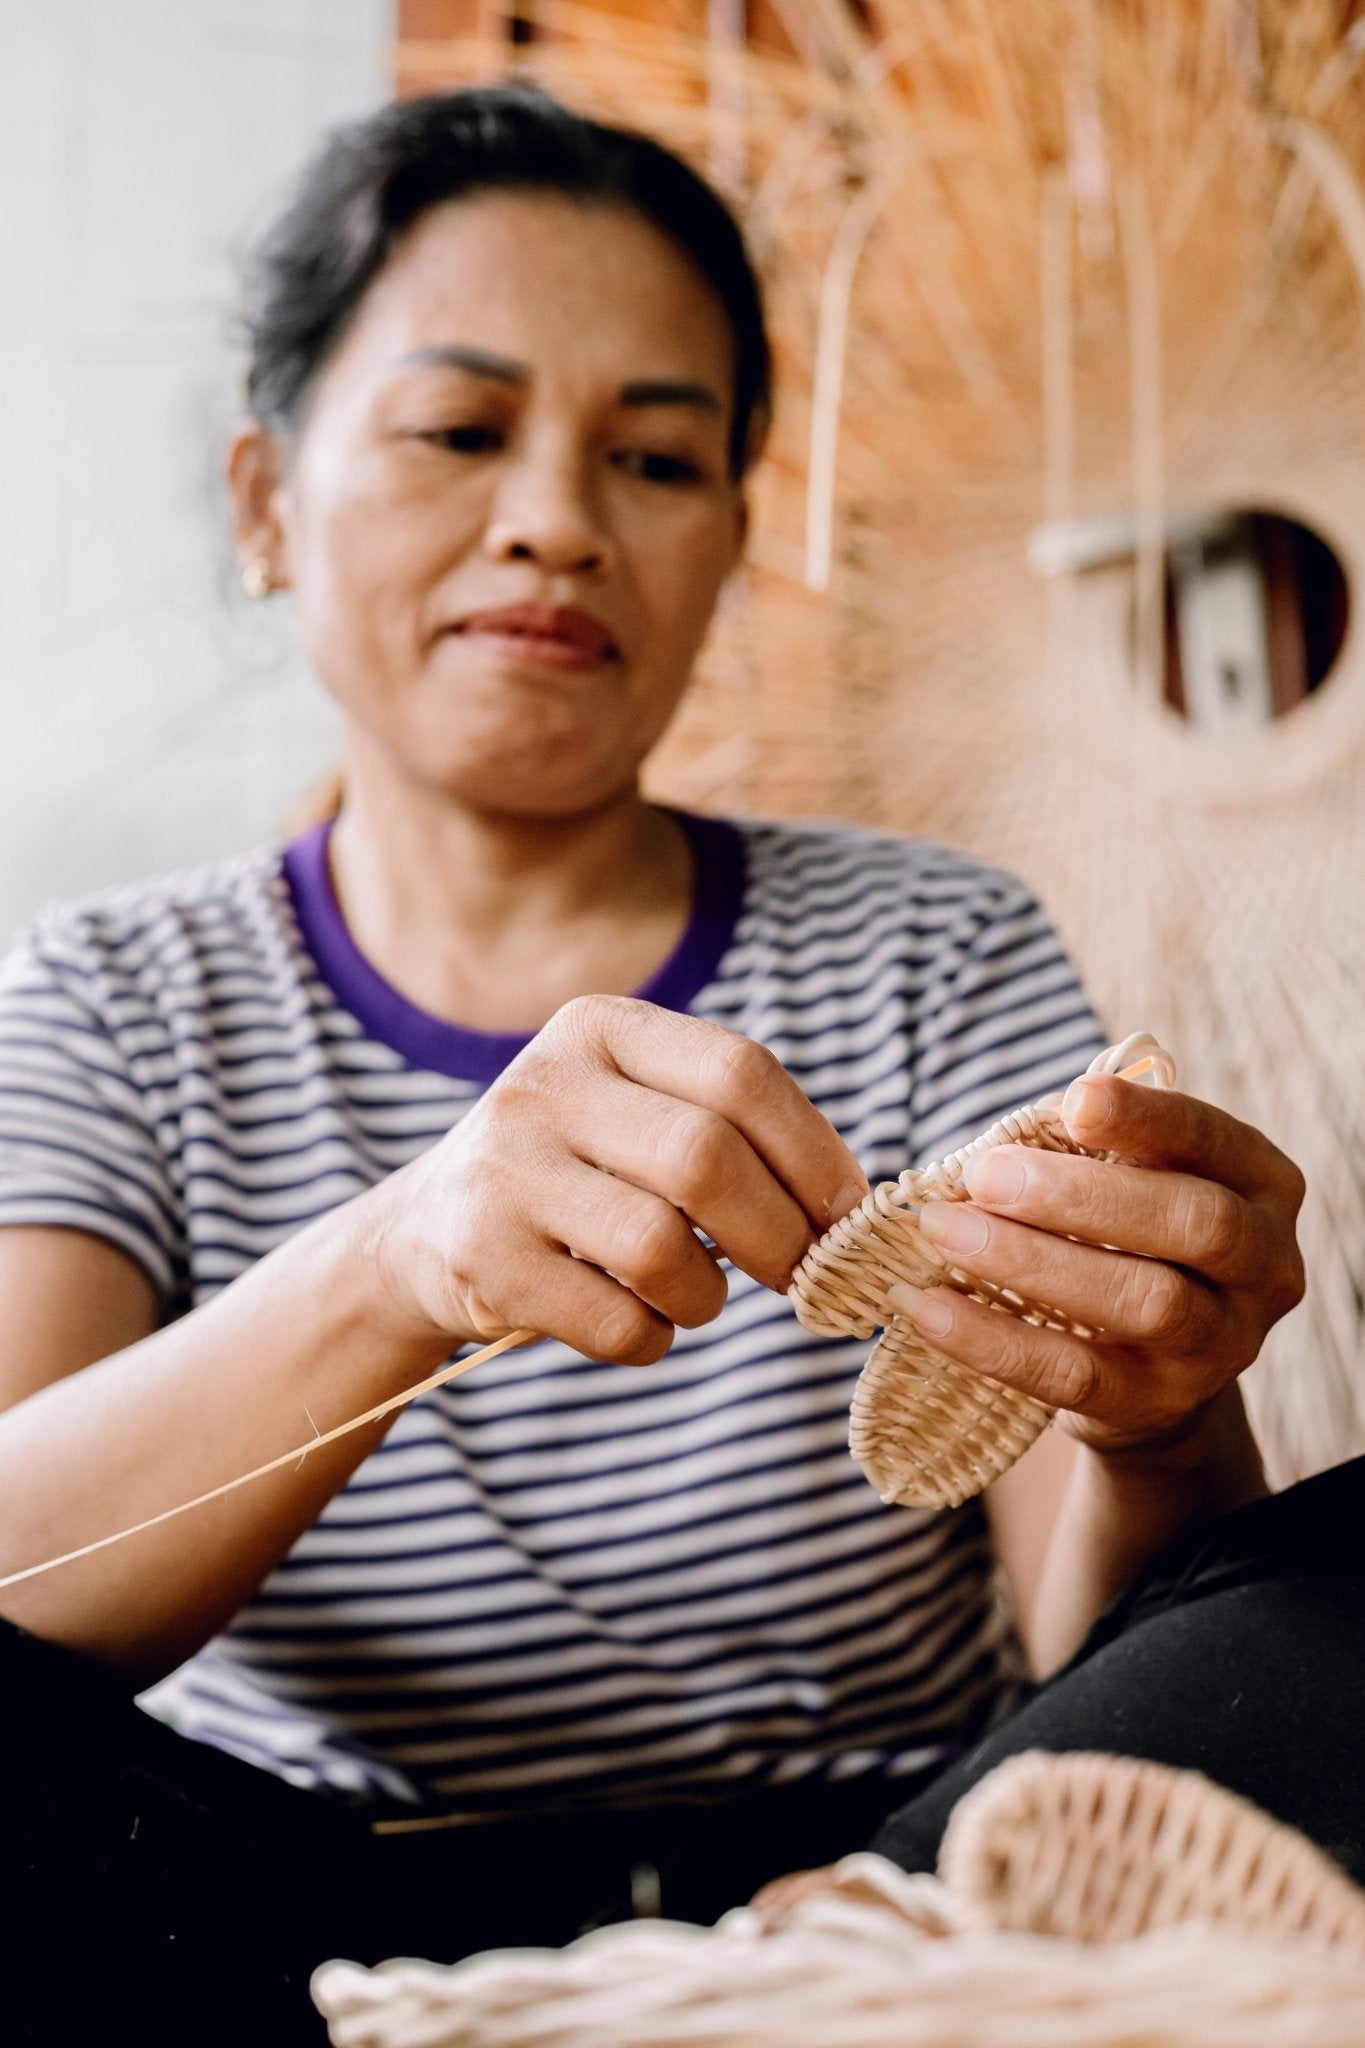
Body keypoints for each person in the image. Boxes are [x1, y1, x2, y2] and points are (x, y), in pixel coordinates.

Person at [0, 84, 1326, 2045]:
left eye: (654, 456)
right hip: (279, 1930)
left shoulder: (932, 946)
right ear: (268, 502)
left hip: (884, 1890)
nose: (554, 519)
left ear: (728, 542)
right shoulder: (114, 995)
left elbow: (1101, 1646)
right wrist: (395, 1262)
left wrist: (1151, 1422)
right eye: (460, 432)